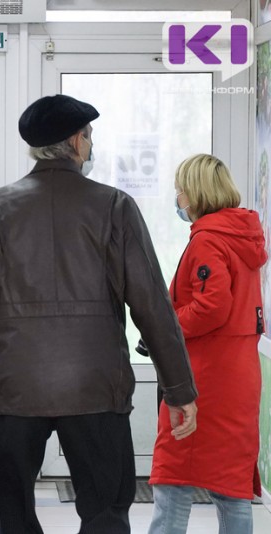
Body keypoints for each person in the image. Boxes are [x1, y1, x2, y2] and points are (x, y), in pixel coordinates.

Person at [0, 94, 199, 534]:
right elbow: (152, 306)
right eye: (89, 136)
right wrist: (178, 390)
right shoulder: (115, 206)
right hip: (96, 389)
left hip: (15, 391)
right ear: (77, 142)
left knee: (13, 514)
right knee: (105, 515)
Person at [148, 154, 266, 534]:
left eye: (180, 189)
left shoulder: (208, 239)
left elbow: (212, 307)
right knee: (232, 489)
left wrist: (165, 328)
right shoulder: (243, 236)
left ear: (195, 193)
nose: (177, 197)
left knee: (173, 482)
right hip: (240, 376)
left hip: (204, 379)